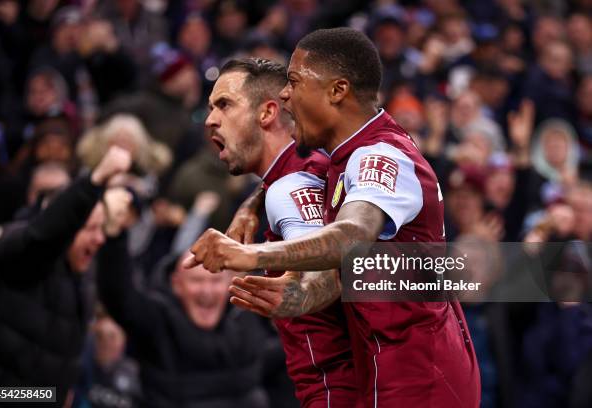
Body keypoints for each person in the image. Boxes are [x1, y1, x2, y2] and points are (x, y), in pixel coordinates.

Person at [185, 27, 481, 407]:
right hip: (402, 368)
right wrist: (254, 203)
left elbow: (350, 236)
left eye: (293, 81)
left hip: (404, 378)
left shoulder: (372, 157)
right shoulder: (343, 159)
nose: (287, 94)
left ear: (337, 91)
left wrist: (251, 255)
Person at [204, 57, 357, 407]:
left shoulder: (289, 187)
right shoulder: (304, 170)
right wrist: (253, 202)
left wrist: (285, 288)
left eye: (224, 105)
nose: (211, 119)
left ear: (267, 113)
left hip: (338, 388)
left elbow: (327, 268)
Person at [0, 145, 132, 406]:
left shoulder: (81, 270)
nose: (99, 238)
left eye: (101, 228)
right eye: (89, 228)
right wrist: (96, 179)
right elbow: (43, 237)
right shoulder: (15, 247)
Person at [96, 191, 270, 408]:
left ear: (228, 284)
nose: (206, 291)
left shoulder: (246, 317)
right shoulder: (158, 319)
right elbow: (118, 295)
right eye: (196, 281)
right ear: (176, 284)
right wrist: (113, 236)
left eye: (214, 282)